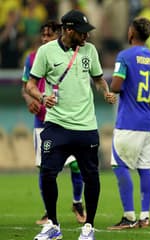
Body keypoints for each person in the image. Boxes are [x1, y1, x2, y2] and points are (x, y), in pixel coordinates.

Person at [25, 9, 116, 240]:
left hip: (86, 126)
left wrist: (105, 91)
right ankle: (53, 225)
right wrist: (43, 98)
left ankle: (89, 228)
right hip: (56, 125)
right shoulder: (45, 52)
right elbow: (30, 85)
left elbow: (97, 79)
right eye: (81, 32)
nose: (85, 37)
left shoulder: (90, 50)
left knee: (92, 176)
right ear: (68, 30)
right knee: (47, 173)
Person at [21, 20, 86, 226]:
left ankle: (77, 202)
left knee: (76, 165)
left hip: (67, 120)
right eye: (43, 36)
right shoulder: (33, 58)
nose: (44, 39)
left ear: (59, 35)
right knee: (45, 168)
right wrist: (31, 100)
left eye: (49, 36)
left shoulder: (73, 55)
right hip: (42, 120)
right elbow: (26, 86)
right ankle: (49, 213)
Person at [107, 17, 150, 230]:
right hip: (148, 120)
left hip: (129, 121)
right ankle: (144, 217)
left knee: (119, 166)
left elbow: (117, 85)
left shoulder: (125, 56)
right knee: (144, 168)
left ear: (131, 33)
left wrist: (111, 87)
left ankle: (129, 217)